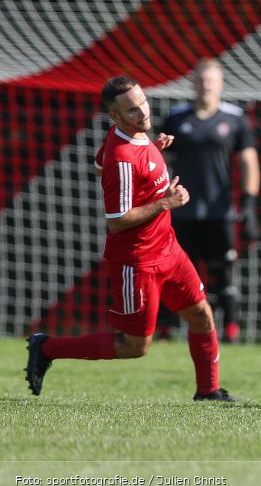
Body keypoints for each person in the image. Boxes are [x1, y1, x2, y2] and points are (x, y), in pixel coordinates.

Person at [25, 76, 236, 402]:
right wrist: (166, 202)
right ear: (115, 116)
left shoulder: (132, 136)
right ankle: (47, 347)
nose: (143, 113)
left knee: (201, 314)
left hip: (169, 249)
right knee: (134, 346)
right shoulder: (122, 156)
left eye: (143, 103)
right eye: (133, 110)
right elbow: (117, 221)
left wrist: (153, 150)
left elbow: (99, 164)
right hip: (138, 262)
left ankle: (208, 391)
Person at [155, 58, 260, 343]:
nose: (206, 86)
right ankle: (166, 327)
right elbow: (159, 161)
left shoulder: (235, 118)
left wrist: (248, 204)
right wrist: (158, 198)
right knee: (173, 270)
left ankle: (231, 328)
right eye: (201, 80)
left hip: (220, 210)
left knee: (223, 270)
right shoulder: (176, 118)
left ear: (220, 84)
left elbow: (249, 161)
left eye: (211, 80)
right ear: (193, 83)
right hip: (181, 210)